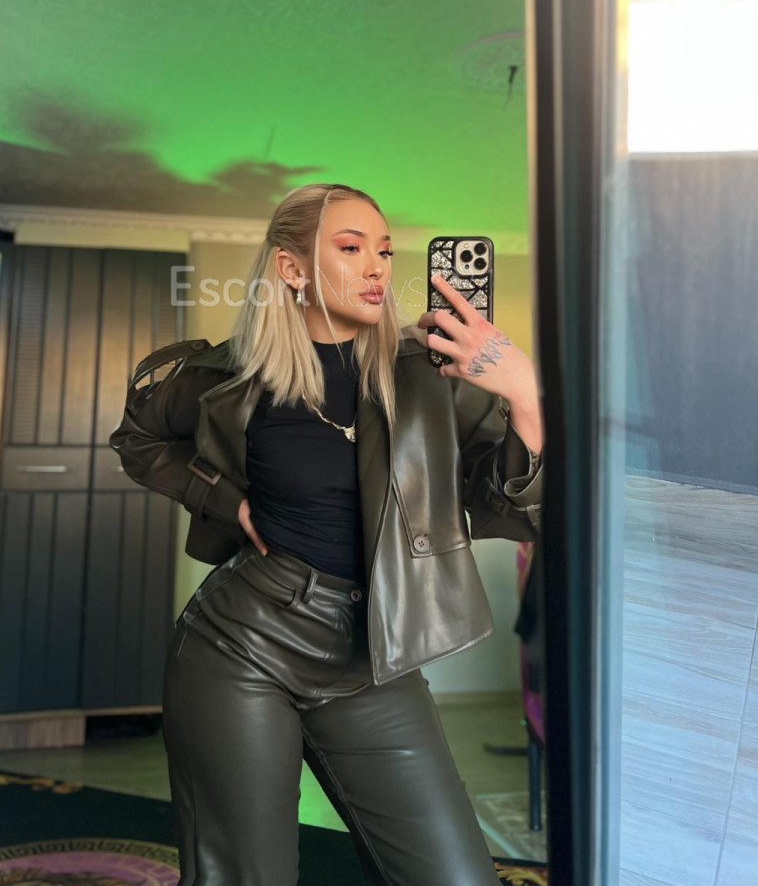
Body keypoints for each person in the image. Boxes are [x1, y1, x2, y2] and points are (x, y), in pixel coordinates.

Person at [110, 182, 544, 886]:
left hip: (374, 658)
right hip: (241, 645)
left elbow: (514, 509)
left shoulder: (429, 374)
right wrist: (224, 500)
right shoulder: (233, 375)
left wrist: (524, 394)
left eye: (385, 251)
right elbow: (139, 439)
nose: (377, 267)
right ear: (292, 268)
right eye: (350, 247)